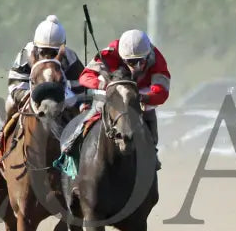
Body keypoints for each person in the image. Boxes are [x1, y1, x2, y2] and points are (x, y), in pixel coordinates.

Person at [72, 28, 170, 169]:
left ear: (148, 56)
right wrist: (103, 84)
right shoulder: (112, 52)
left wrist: (143, 97)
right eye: (130, 62)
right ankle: (76, 145)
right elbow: (85, 76)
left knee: (149, 107)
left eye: (139, 61)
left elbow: (162, 93)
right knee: (99, 104)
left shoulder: (158, 60)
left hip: (140, 89)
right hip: (114, 87)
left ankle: (151, 150)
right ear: (122, 57)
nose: (135, 67)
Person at [0, 14, 84, 150]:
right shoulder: (26, 54)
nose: (48, 56)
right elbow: (14, 83)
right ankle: (4, 133)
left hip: (60, 93)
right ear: (36, 47)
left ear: (62, 48)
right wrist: (27, 95)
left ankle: (80, 137)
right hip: (30, 90)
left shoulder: (69, 57)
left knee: (77, 108)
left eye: (54, 52)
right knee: (10, 104)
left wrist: (69, 99)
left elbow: (80, 86)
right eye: (43, 51)